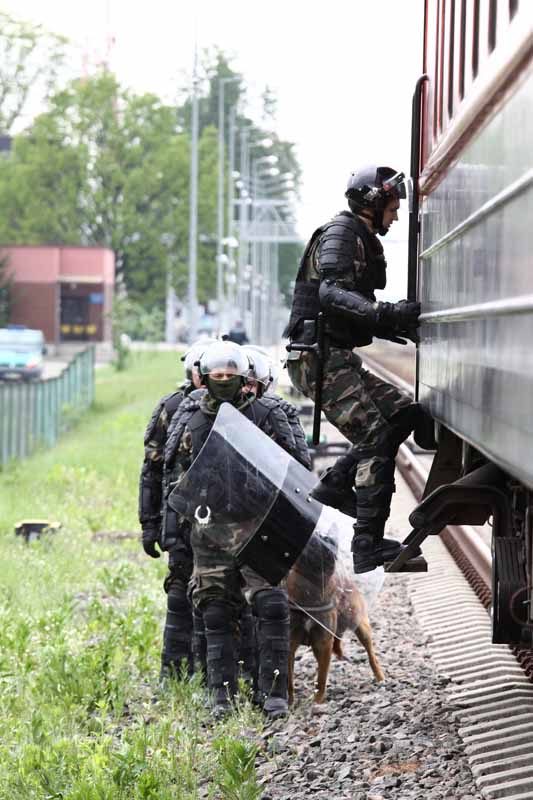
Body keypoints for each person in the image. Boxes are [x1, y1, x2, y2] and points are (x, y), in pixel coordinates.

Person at [284, 165, 426, 574]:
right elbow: (331, 292)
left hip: (337, 356)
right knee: (376, 435)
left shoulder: (360, 237)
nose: (395, 216)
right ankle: (367, 545)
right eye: (392, 207)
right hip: (319, 359)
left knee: (405, 413)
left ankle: (336, 483)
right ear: (373, 201)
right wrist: (385, 316)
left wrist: (394, 323)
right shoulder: (342, 234)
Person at [164, 341, 308, 718]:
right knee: (213, 609)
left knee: (271, 603)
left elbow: (297, 469)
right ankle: (221, 695)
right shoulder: (191, 418)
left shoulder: (268, 415)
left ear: (245, 378)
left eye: (231, 375)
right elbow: (173, 476)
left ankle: (274, 692)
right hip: (209, 529)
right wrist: (172, 532)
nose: (224, 381)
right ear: (205, 378)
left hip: (259, 525)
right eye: (218, 375)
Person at [138, 339, 214, 678]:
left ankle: (216, 674)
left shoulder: (241, 405)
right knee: (180, 590)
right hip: (181, 519)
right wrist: (149, 523)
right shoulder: (172, 408)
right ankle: (174, 672)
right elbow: (152, 470)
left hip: (225, 521)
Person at [242, 344, 311, 471]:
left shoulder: (280, 411)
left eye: (250, 384)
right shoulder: (215, 409)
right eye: (240, 383)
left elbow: (300, 465)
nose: (244, 390)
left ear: (264, 386)